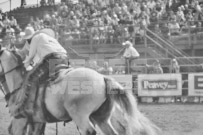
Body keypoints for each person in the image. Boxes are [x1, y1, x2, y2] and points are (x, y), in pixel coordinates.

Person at [14, 27, 69, 116]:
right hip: (65, 58)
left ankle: (29, 107)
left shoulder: (35, 39)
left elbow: (31, 56)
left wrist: (26, 65)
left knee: (32, 78)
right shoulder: (48, 38)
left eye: (28, 39)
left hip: (52, 59)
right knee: (55, 81)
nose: (28, 41)